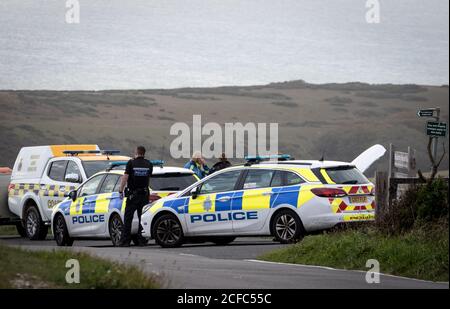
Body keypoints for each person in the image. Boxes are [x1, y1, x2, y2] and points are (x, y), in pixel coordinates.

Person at [118, 146, 153, 247]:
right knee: (142, 218)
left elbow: (125, 177)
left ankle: (125, 241)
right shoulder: (149, 164)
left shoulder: (131, 163)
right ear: (144, 153)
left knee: (128, 218)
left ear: (136, 152)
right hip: (145, 195)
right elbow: (148, 178)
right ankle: (141, 240)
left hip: (133, 195)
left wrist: (121, 190)